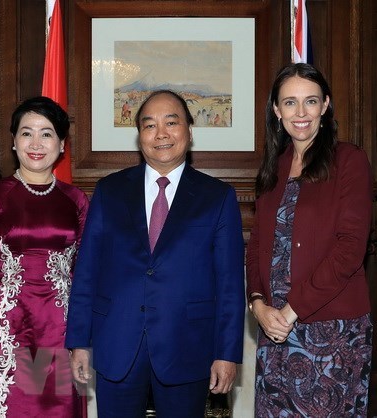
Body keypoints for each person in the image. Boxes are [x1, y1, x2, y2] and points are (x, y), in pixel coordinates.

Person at [66, 89, 245, 418]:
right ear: (139, 137)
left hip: (187, 345)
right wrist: (79, 340)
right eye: (149, 125)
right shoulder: (109, 191)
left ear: (190, 131)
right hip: (116, 341)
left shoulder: (217, 197)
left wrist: (227, 353)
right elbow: (86, 271)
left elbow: (230, 284)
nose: (160, 133)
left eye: (171, 122)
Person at [246, 63, 373, 417]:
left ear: (326, 105)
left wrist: (291, 310)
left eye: (311, 101)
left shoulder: (349, 160)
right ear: (276, 109)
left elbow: (350, 249)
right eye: (290, 103)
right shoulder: (275, 165)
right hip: (275, 330)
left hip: (331, 331)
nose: (300, 113)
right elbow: (257, 244)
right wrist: (257, 304)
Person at [0, 96, 88, 417]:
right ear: (14, 142)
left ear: (61, 145)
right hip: (5, 326)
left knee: (58, 408)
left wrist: (83, 339)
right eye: (26, 132)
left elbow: (84, 275)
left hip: (61, 328)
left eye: (47, 134)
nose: (36, 143)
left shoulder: (76, 201)